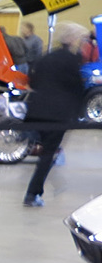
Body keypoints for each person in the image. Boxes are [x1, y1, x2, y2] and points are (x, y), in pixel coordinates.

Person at [21, 21, 90, 208]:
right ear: (74, 40)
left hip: (36, 111)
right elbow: (78, 89)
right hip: (57, 115)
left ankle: (40, 187)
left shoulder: (46, 57)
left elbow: (33, 83)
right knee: (48, 155)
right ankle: (32, 193)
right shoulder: (73, 60)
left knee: (46, 151)